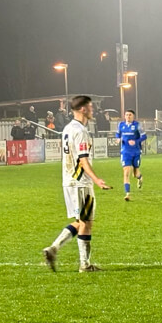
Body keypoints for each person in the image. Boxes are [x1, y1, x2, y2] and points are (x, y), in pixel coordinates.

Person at [43, 95, 110, 272]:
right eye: (90, 106)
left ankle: (54, 248)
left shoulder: (67, 128)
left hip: (68, 181)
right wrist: (97, 180)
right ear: (82, 109)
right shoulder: (80, 131)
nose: (93, 109)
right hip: (81, 183)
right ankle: (85, 265)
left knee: (80, 221)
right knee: (87, 223)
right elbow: (83, 160)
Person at [117, 109, 146, 200]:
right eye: (126, 115)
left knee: (135, 174)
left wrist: (136, 141)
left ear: (133, 116)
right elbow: (117, 134)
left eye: (130, 115)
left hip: (136, 152)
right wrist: (118, 139)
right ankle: (127, 194)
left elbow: (144, 136)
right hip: (125, 152)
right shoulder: (121, 125)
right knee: (126, 173)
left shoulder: (137, 125)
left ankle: (140, 178)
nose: (128, 116)